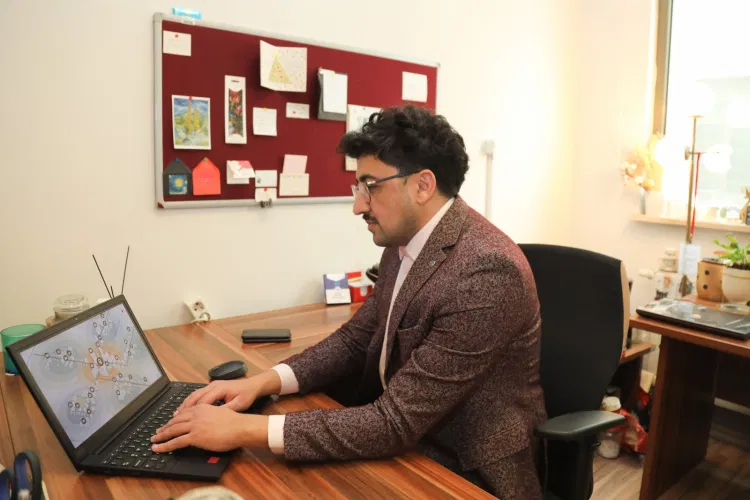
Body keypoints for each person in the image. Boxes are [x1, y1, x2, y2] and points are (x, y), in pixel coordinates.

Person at [151, 105, 547, 498]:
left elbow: (395, 422)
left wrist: (244, 430)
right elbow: (355, 339)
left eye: (370, 187)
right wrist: (260, 383)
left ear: (423, 186)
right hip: (408, 442)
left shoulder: (486, 271)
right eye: (358, 188)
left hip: (464, 471)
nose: (358, 205)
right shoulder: (404, 241)